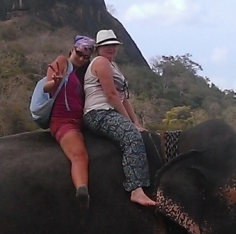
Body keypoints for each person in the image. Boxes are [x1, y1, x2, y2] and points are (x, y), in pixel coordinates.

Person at [83, 29, 156, 207]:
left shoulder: (114, 66)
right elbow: (111, 94)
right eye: (106, 45)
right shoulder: (100, 62)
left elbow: (124, 97)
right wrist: (130, 125)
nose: (111, 48)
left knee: (141, 133)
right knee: (131, 136)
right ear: (99, 48)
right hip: (98, 112)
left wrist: (135, 121)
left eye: (113, 45)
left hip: (112, 111)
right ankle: (136, 189)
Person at [44, 35, 95, 208]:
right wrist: (54, 82)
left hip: (80, 120)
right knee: (79, 155)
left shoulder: (82, 74)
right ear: (71, 50)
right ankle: (82, 191)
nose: (81, 59)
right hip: (63, 121)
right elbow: (46, 86)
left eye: (85, 57)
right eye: (78, 53)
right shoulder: (62, 63)